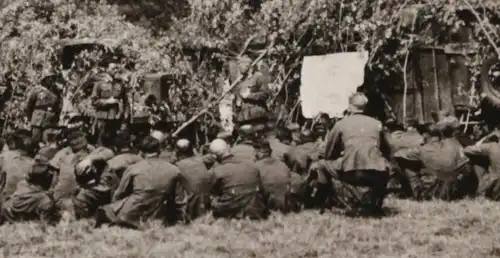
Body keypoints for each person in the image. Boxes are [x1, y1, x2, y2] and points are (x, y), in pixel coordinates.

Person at [308, 92, 391, 215]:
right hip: (376, 172)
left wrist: (342, 155)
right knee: (385, 166)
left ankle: (324, 202)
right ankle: (375, 205)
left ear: (350, 107)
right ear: (365, 107)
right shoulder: (377, 124)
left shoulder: (341, 124)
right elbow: (387, 149)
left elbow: (329, 152)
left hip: (351, 171)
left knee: (321, 165)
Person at [95, 136, 183, 229]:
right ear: (159, 151)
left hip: (131, 215)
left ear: (141, 152)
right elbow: (180, 200)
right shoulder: (174, 170)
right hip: (159, 216)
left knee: (104, 210)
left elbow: (119, 194)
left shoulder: (133, 169)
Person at [209, 139, 268, 220]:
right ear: (229, 148)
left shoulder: (216, 171)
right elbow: (262, 189)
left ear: (214, 156)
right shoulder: (251, 164)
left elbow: (213, 191)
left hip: (230, 210)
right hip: (254, 209)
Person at [1, 151, 61, 225]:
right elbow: (49, 230)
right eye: (56, 176)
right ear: (48, 176)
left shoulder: (14, 197)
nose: (57, 179)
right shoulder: (45, 201)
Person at [255, 139, 299, 213]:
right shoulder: (282, 164)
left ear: (258, 153)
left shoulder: (256, 166)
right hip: (284, 202)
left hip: (268, 202)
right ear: (271, 152)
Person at [175, 139, 213, 222]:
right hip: (207, 201)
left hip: (190, 205)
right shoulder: (201, 160)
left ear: (177, 152)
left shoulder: (178, 166)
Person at [90, 73, 127, 146]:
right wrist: (107, 101)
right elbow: (94, 101)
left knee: (114, 144)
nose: (115, 69)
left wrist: (123, 119)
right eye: (112, 66)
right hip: (103, 118)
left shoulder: (120, 83)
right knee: (101, 143)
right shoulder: (99, 84)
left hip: (116, 119)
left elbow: (125, 101)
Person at [233, 56, 271, 129]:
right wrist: (237, 104)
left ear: (248, 66)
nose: (239, 67)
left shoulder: (258, 77)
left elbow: (266, 94)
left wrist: (250, 95)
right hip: (244, 117)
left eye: (241, 65)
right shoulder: (240, 81)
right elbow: (238, 99)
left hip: (257, 115)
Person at [24, 74, 62, 143]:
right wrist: (30, 117)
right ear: (44, 79)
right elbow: (28, 105)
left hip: (49, 120)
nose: (50, 79)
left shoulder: (56, 91)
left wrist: (56, 118)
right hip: (37, 119)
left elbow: (58, 107)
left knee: (47, 140)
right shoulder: (36, 90)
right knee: (35, 140)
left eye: (52, 78)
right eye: (48, 78)